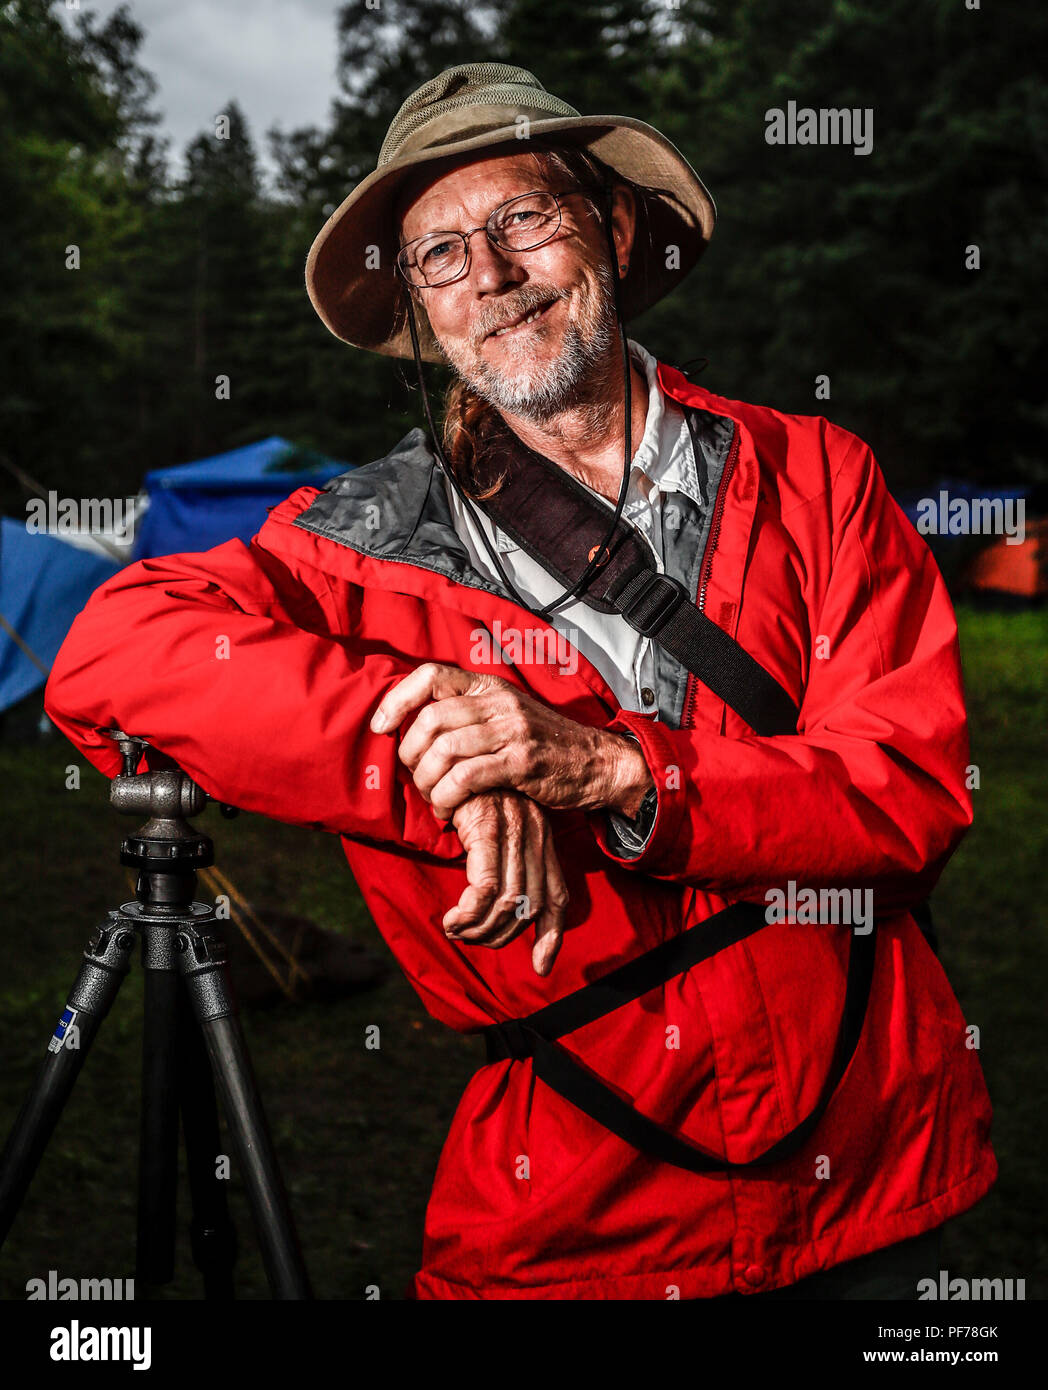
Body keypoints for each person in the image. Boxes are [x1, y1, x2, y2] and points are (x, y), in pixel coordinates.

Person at [44, 63, 997, 1301]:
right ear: (421, 307)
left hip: (869, 1176)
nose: (486, 274)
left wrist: (602, 767)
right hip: (580, 1226)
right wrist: (443, 758)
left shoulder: (813, 472)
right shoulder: (355, 535)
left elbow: (907, 789)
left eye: (523, 220)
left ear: (610, 225)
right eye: (438, 253)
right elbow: (113, 651)